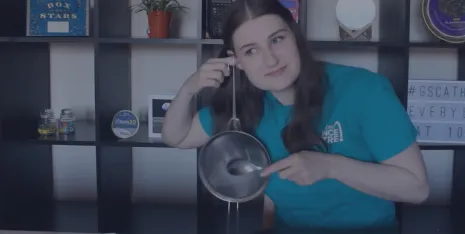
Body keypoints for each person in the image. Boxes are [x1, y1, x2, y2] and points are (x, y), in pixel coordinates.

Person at [162, 0, 429, 230]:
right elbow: (177, 136)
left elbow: (416, 188)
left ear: (295, 37)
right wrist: (189, 88)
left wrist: (329, 166)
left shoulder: (363, 90)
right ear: (237, 61)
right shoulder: (243, 106)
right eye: (251, 51)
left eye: (277, 40)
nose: (270, 60)